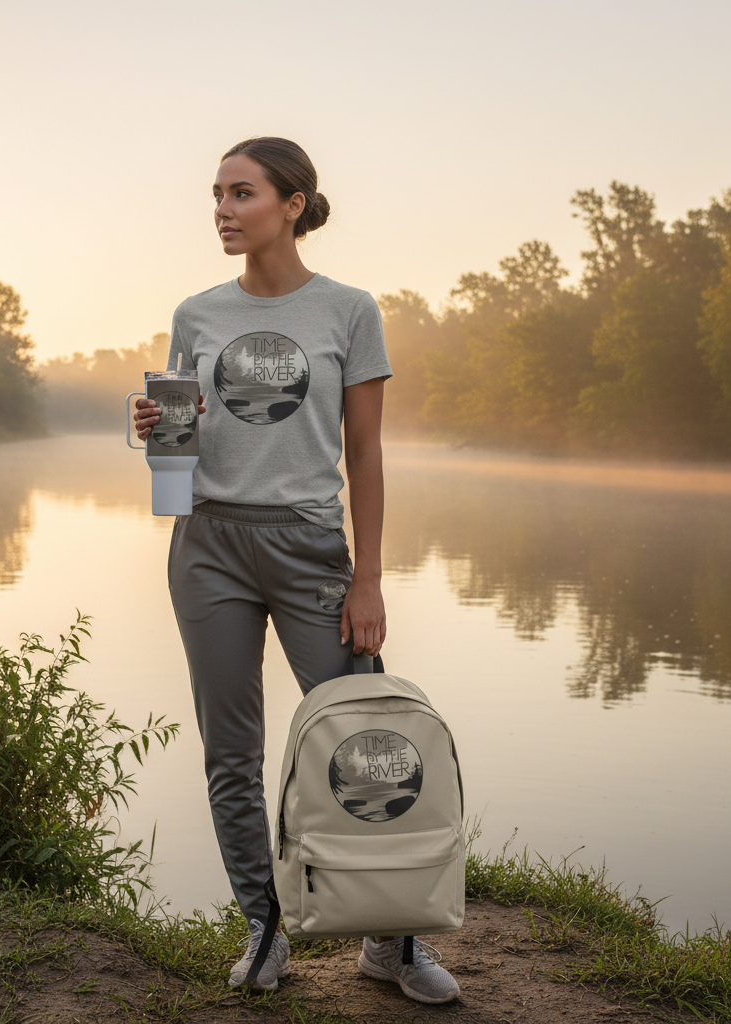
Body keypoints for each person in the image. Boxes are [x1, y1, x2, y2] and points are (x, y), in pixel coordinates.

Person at [133, 137, 459, 1005]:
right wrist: (155, 429)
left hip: (312, 546)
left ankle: (392, 940)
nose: (223, 210)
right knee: (231, 753)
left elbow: (365, 452)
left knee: (365, 740)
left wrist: (371, 578)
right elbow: (178, 452)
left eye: (242, 193)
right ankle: (264, 926)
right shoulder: (196, 314)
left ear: (293, 202)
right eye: (216, 195)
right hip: (207, 546)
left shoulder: (349, 312)